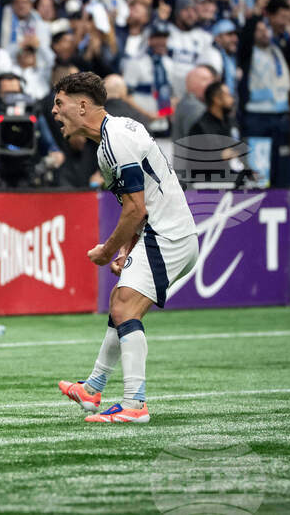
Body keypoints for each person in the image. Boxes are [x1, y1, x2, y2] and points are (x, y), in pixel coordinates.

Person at [51, 72, 198, 423]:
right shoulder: (112, 137)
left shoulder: (116, 139)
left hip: (168, 235)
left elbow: (136, 209)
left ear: (82, 105)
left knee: (124, 306)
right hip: (162, 233)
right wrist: (125, 250)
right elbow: (137, 202)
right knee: (121, 306)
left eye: (59, 104)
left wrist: (106, 251)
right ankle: (93, 388)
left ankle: (134, 404)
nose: (54, 112)